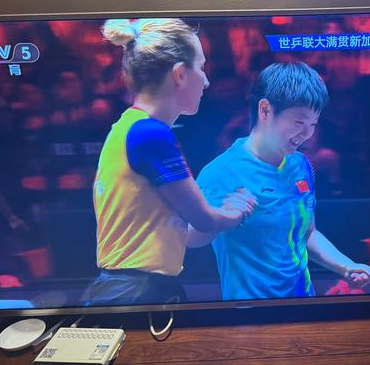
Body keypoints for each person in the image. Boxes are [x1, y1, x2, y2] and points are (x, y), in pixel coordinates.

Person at [87, 18, 255, 306]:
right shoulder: (151, 134)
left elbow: (187, 234)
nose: (206, 81)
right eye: (201, 67)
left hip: (131, 290)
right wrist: (237, 212)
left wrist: (224, 214)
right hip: (138, 293)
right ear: (180, 74)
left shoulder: (130, 127)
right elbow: (203, 219)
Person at [189, 61, 370, 300]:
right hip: (249, 313)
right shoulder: (221, 172)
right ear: (265, 110)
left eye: (313, 124)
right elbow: (189, 238)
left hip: (304, 305)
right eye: (299, 123)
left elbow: (307, 234)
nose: (307, 133)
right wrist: (220, 219)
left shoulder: (300, 165)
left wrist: (347, 267)